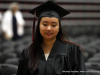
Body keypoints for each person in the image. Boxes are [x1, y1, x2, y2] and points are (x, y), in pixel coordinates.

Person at [17, 1, 89, 75]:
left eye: (54, 25)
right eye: (45, 24)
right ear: (38, 26)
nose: (48, 28)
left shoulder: (72, 51)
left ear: (59, 28)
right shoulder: (28, 53)